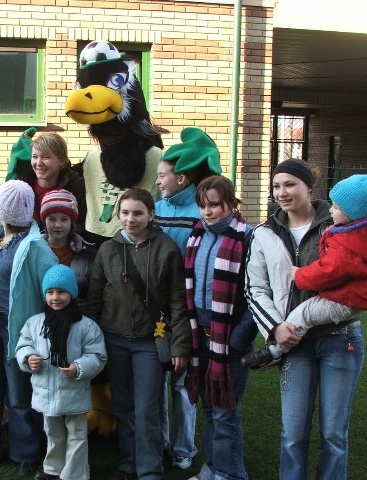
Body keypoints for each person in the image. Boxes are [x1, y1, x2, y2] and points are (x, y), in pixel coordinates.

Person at [245, 158, 365, 480]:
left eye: (290, 184)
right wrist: (276, 328)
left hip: (340, 339)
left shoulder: (339, 224)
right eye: (276, 186)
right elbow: (255, 288)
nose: (282, 192)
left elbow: (360, 278)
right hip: (293, 344)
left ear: (309, 188)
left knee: (334, 435)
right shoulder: (263, 233)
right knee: (292, 435)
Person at [243, 173, 367, 368]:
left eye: (336, 207)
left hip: (346, 302)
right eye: (276, 186)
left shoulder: (349, 241)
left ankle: (275, 352)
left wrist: (300, 275)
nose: (331, 209)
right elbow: (255, 287)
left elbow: (328, 271)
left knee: (304, 313)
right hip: (361, 296)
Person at [86, 188, 190, 480]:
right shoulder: (107, 250)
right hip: (114, 339)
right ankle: (129, 462)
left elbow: (177, 301)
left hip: (149, 341)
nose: (130, 219)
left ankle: (149, 470)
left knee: (146, 408)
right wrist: (91, 341)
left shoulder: (167, 249)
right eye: (125, 213)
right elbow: (95, 298)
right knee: (123, 405)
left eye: (138, 213)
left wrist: (180, 345)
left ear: (151, 215)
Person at [0, 180, 58, 476]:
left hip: (19, 331)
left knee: (20, 395)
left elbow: (52, 292)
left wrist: (44, 332)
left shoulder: (36, 247)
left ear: (0, 208)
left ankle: (26, 453)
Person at [153, 127, 221, 471]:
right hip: (156, 312)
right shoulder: (155, 209)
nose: (157, 181)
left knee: (182, 379)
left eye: (162, 175)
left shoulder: (201, 213)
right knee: (157, 377)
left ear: (181, 178)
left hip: (187, 312)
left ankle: (182, 448)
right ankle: (161, 442)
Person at [183, 176, 257, 480]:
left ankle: (230, 473)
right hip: (201, 336)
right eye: (202, 205)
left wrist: (238, 338)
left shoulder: (248, 238)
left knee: (226, 411)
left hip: (230, 338)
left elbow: (258, 293)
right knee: (210, 409)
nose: (207, 212)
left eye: (214, 204)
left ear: (231, 203)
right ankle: (211, 468)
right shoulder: (196, 235)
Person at [16, 264, 107, 480]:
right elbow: (23, 345)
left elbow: (97, 355)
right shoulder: (35, 323)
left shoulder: (86, 326)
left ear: (72, 293)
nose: (55, 297)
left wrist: (79, 367)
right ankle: (53, 469)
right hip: (46, 393)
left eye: (61, 292)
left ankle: (75, 474)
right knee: (53, 433)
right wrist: (28, 358)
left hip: (74, 391)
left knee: (77, 435)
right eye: (50, 292)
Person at [7, 129, 86, 234]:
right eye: (35, 157)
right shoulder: (22, 185)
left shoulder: (75, 186)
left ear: (61, 160)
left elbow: (82, 225)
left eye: (46, 157)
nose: (38, 163)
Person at [40, 189, 97, 308]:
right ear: (44, 221)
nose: (58, 225)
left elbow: (94, 295)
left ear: (72, 222)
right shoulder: (33, 251)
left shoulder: (88, 254)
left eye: (64, 219)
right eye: (52, 219)